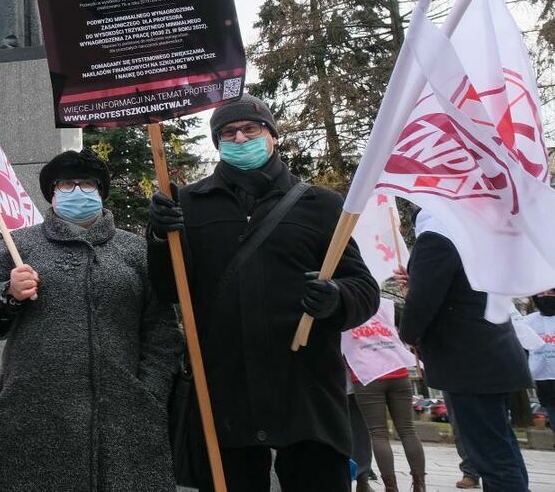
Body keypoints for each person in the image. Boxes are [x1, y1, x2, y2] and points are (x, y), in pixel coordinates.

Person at [147, 94, 380, 492]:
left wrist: (336, 298)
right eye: (227, 132)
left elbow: (364, 289)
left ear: (271, 135)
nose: (239, 138)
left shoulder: (320, 205)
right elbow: (170, 289)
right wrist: (157, 236)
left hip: (305, 384)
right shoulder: (189, 203)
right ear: (217, 142)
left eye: (249, 129)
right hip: (224, 385)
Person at [0, 149, 182, 492]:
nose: (77, 190)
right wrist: (9, 293)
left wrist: (149, 391)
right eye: (67, 184)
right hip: (31, 415)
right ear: (53, 193)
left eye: (86, 183)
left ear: (101, 192)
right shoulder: (21, 246)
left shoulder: (136, 250)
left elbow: (162, 330)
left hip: (123, 418)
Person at [397, 213, 532, 491]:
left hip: (469, 362)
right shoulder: (473, 229)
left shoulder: (435, 235)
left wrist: (408, 334)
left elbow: (423, 301)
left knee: (491, 456)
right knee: (502, 448)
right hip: (493, 353)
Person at [345, 303, 425, 492]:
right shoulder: (384, 306)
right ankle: (420, 485)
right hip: (397, 371)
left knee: (378, 433)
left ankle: (391, 487)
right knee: (408, 431)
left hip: (367, 376)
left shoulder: (346, 307)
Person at [524, 289, 555, 428]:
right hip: (542, 379)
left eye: (550, 293)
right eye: (542, 293)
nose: (546, 297)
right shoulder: (528, 322)